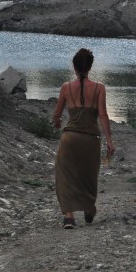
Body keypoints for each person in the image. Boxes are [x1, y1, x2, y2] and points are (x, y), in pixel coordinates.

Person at [52, 48, 115, 229]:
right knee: (88, 175)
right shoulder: (99, 88)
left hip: (70, 138)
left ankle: (69, 216)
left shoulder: (65, 88)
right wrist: (109, 140)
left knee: (64, 175)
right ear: (90, 67)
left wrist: (56, 123)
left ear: (74, 66)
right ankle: (88, 208)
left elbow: (56, 116)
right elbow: (103, 115)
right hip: (90, 139)